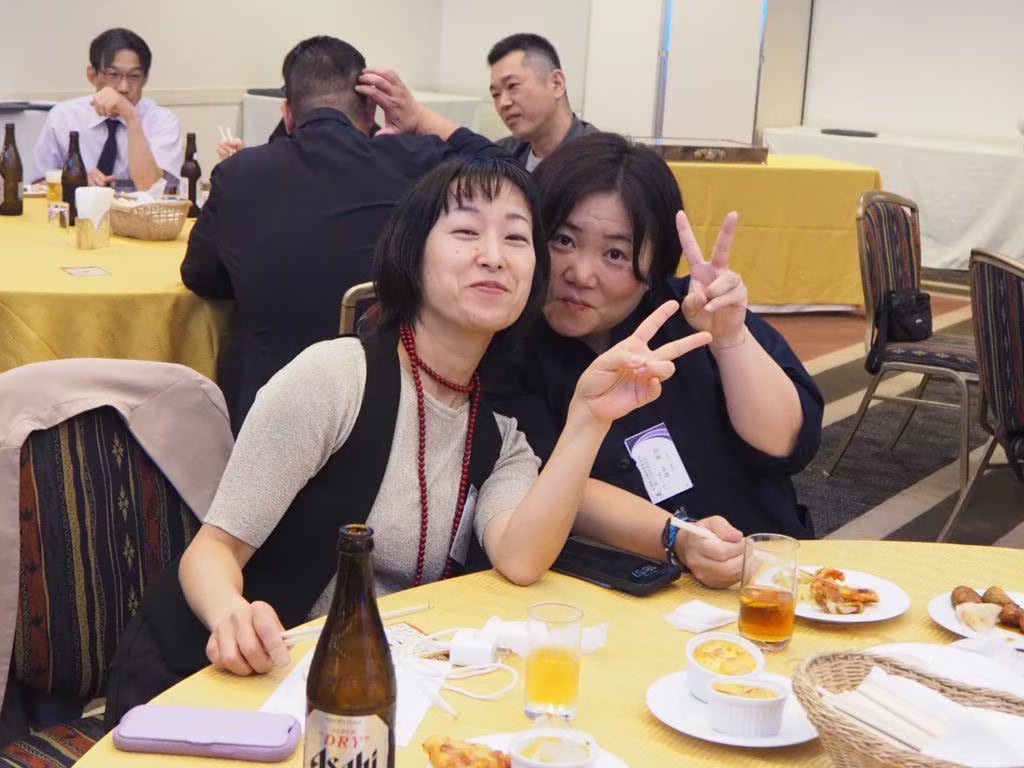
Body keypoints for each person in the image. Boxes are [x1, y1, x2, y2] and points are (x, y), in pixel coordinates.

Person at [104, 155, 718, 723]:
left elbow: (521, 558)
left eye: (515, 238)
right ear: (412, 252)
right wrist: (231, 616)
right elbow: (211, 552)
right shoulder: (335, 379)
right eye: (466, 231)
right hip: (221, 686)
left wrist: (589, 416)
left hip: (365, 699)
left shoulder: (498, 433)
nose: (494, 256)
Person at [486, 133, 824, 555]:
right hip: (624, 572)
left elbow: (784, 446)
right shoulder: (510, 349)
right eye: (564, 241)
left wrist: (729, 339)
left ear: (656, 263)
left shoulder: (695, 309)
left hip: (763, 559)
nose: (580, 274)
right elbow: (551, 481)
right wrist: (681, 538)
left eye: (615, 254)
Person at [181, 36, 511, 433]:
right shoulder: (410, 159)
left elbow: (200, 276)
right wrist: (420, 117)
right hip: (389, 409)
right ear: (371, 108)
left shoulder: (237, 173)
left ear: (288, 114)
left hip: (266, 413)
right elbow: (508, 174)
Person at [32, 28, 182, 191]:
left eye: (134, 76)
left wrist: (131, 117)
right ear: (92, 75)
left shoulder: (163, 121)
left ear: (145, 79)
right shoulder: (64, 116)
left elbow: (152, 188)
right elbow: (36, 186)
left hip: (141, 208)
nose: (124, 88)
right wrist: (76, 181)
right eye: (113, 75)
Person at [488, 33, 597, 171]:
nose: (503, 103)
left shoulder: (602, 160)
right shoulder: (499, 157)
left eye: (512, 86)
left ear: (556, 84)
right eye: (496, 95)